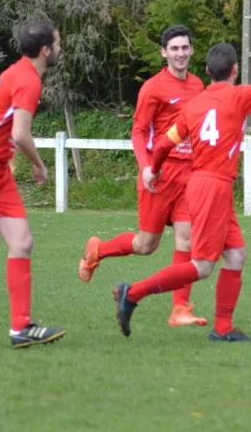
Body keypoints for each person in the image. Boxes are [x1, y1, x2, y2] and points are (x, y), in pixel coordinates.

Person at [112, 33, 251, 341]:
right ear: (235, 71)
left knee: (237, 255)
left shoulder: (193, 105)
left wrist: (152, 169)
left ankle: (223, 327)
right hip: (211, 186)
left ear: (208, 72)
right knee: (201, 267)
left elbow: (162, 143)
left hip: (205, 184)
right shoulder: (238, 96)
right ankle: (132, 293)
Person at [78, 25, 207, 327]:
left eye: (184, 48)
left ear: (191, 51)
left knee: (186, 240)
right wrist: (146, 166)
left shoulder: (199, 85)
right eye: (174, 49)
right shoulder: (152, 88)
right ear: (164, 53)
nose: (180, 53)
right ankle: (98, 249)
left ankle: (180, 310)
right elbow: (138, 132)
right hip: (159, 176)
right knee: (146, 246)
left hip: (188, 176)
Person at [0, 19, 67, 348]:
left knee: (21, 242)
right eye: (58, 43)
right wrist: (40, 166)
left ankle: (21, 327)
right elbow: (21, 134)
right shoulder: (28, 81)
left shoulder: (19, 71)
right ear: (46, 50)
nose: (61, 48)